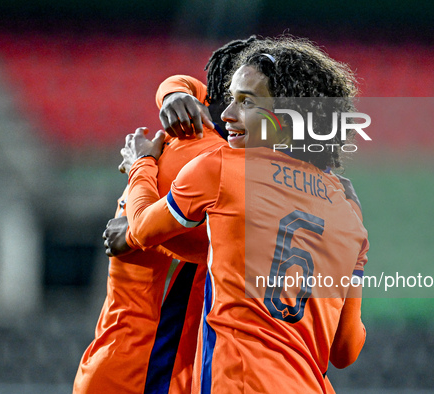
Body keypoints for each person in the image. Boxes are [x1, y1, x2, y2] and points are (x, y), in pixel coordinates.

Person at [120, 36, 369, 393]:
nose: (226, 114)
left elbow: (142, 229)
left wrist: (140, 164)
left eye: (246, 102)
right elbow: (346, 349)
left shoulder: (222, 168)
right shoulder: (349, 213)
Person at [73, 36, 258, 394]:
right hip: (149, 372)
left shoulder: (176, 147)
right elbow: (142, 230)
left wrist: (173, 93)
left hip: (114, 363)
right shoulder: (211, 163)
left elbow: (183, 84)